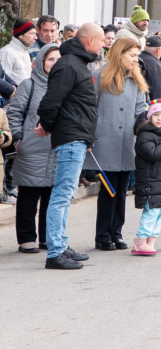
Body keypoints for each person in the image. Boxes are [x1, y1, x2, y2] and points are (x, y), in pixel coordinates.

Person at [36, 23, 104, 270]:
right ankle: (55, 252)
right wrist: (47, 125)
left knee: (64, 195)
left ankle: (60, 245)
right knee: (62, 195)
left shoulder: (75, 63)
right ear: (89, 41)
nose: (102, 46)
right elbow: (51, 101)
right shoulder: (68, 65)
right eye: (99, 41)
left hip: (75, 136)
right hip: (71, 137)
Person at [85, 37, 148, 251]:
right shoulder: (99, 76)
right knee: (108, 190)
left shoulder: (136, 79)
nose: (135, 60)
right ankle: (102, 235)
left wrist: (150, 128)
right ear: (119, 54)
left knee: (121, 190)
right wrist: (89, 136)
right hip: (106, 141)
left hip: (127, 142)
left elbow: (141, 111)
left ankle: (116, 232)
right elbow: (90, 109)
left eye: (136, 56)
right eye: (132, 55)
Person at [8, 44, 59, 252]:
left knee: (51, 198)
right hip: (31, 149)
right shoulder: (28, 85)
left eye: (58, 60)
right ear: (40, 63)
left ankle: (47, 237)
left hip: (56, 149)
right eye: (50, 60)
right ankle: (26, 238)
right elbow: (14, 113)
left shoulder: (63, 85)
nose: (54, 64)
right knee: (29, 197)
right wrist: (19, 138)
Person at [131, 100, 161, 256]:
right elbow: (153, 154)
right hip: (150, 180)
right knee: (151, 211)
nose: (159, 118)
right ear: (149, 116)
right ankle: (140, 241)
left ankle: (151, 240)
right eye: (155, 115)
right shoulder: (145, 135)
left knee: (159, 211)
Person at [0, 18, 37, 84]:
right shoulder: (6, 52)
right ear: (20, 35)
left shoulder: (25, 52)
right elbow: (3, 81)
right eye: (32, 33)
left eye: (35, 33)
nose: (35, 37)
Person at [138, 36, 161, 100]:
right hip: (150, 105)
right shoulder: (154, 64)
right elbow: (158, 90)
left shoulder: (138, 58)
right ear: (158, 50)